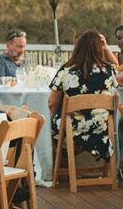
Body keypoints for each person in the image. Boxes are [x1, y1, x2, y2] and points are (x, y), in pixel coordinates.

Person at [49, 29, 118, 161]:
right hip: (101, 126)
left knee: (49, 124)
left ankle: (55, 162)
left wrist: (57, 120)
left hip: (72, 125)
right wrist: (106, 47)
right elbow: (116, 66)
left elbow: (52, 103)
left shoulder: (66, 70)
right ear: (100, 48)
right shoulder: (109, 70)